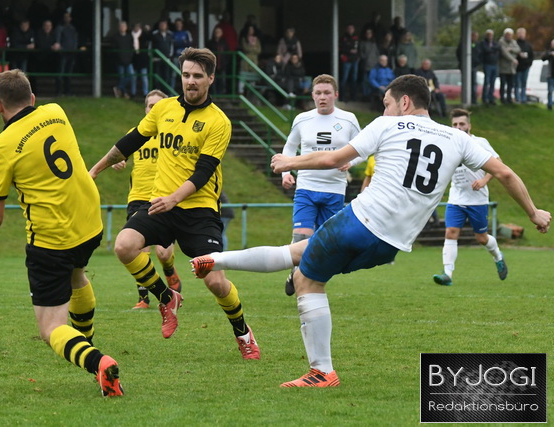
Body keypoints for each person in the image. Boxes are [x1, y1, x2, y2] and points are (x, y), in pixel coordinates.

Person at [189, 75, 550, 388]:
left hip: (359, 222)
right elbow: (505, 173)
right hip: (391, 245)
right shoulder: (457, 138)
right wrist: (534, 213)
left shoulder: (387, 125)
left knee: (305, 280)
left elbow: (333, 158)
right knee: (299, 254)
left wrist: (289, 161)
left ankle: (321, 371)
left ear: (404, 102)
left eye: (387, 104)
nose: (385, 110)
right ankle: (214, 260)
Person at [0, 69, 123, 397]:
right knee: (77, 276)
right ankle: (87, 344)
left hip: (52, 239)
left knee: (51, 328)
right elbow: (33, 144)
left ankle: (98, 362)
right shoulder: (56, 112)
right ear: (32, 98)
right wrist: (1, 142)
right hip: (90, 223)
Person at [89, 47, 260, 359]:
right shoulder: (163, 109)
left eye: (197, 76)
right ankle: (166, 297)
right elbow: (130, 142)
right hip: (161, 206)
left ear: (211, 78)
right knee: (124, 246)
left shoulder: (219, 122)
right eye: (186, 75)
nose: (190, 81)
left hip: (199, 211)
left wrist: (174, 198)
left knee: (215, 281)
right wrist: (95, 170)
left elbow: (204, 172)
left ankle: (243, 333)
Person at [280, 74, 361, 296]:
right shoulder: (302, 119)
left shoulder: (349, 119)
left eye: (327, 93)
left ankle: (306, 276)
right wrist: (286, 172)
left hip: (334, 190)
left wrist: (351, 162)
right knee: (301, 235)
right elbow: (289, 148)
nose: (322, 97)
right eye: (318, 93)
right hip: (306, 187)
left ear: (335, 95)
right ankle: (296, 274)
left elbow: (363, 149)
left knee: (327, 244)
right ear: (312, 95)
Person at [111, 90, 183, 309]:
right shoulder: (136, 133)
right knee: (138, 249)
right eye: (150, 105)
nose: (153, 109)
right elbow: (120, 153)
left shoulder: (173, 134)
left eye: (158, 105)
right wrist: (118, 162)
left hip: (164, 196)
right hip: (138, 197)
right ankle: (143, 297)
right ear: (145, 109)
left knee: (163, 253)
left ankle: (169, 270)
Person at [433, 108, 506, 286]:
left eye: (462, 124)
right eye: (455, 124)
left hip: (477, 200)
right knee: (451, 232)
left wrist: (484, 180)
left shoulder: (479, 142)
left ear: (469, 126)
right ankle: (447, 274)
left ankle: (498, 256)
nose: (458, 127)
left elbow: (499, 163)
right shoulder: (448, 145)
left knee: (481, 238)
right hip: (456, 199)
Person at [54, 12, 84, 96]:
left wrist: (75, 49)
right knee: (60, 73)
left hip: (71, 53)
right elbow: (57, 40)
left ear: (71, 18)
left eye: (68, 17)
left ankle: (68, 92)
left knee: (69, 74)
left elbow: (75, 40)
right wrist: (59, 47)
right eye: (65, 17)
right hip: (63, 53)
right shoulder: (60, 28)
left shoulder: (73, 29)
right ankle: (59, 92)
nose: (67, 19)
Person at [111, 20, 135, 99]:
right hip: (119, 61)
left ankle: (118, 88)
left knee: (131, 75)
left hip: (128, 60)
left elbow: (131, 48)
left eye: (124, 26)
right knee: (121, 77)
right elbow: (114, 49)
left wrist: (130, 57)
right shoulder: (115, 37)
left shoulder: (129, 37)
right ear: (118, 28)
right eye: (121, 26)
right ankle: (124, 93)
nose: (122, 28)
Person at [456, 31, 481, 104]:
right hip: (465, 67)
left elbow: (480, 54)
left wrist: (477, 62)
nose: (475, 38)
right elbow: (458, 53)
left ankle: (473, 100)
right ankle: (466, 99)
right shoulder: (463, 44)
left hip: (474, 66)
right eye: (474, 36)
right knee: (466, 83)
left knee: (474, 83)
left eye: (476, 37)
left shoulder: (477, 44)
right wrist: (463, 62)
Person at [149, 20, 174, 90]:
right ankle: (157, 91)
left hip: (166, 59)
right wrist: (151, 56)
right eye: (161, 24)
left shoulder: (170, 34)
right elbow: (150, 46)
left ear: (166, 26)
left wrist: (169, 56)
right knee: (157, 77)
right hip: (156, 59)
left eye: (164, 24)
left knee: (166, 76)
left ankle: (166, 92)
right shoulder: (154, 34)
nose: (162, 26)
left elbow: (171, 46)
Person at [498, 28, 520, 104]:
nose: (508, 36)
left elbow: (518, 50)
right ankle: (502, 99)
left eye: (510, 35)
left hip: (512, 68)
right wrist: (513, 59)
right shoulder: (501, 42)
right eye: (507, 34)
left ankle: (509, 98)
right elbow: (504, 52)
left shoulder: (513, 42)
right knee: (503, 84)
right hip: (503, 67)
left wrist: (511, 49)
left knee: (510, 84)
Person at [206, 26, 230, 95]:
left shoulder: (224, 43)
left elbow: (227, 54)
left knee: (222, 80)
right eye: (216, 32)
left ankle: (221, 95)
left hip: (222, 65)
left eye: (219, 32)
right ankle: (214, 95)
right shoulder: (210, 43)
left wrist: (225, 62)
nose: (217, 33)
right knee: (213, 81)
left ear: (222, 33)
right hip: (213, 65)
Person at [340, 24, 360, 101]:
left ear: (354, 30)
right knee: (344, 79)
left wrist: (358, 57)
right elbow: (341, 48)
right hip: (347, 60)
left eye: (351, 29)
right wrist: (350, 50)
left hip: (355, 60)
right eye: (349, 28)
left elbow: (359, 49)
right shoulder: (344, 38)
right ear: (346, 29)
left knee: (354, 79)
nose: (350, 30)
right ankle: (342, 97)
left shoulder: (356, 38)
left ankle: (353, 97)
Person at [480, 29, 499, 105]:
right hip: (487, 64)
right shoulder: (483, 43)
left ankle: (491, 98)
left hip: (494, 64)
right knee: (486, 82)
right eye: (488, 35)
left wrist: (491, 50)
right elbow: (486, 50)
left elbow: (497, 48)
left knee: (493, 82)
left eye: (491, 35)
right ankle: (485, 98)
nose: (490, 36)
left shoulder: (495, 43)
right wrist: (492, 50)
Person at [514, 28, 534, 104]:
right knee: (517, 83)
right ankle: (517, 98)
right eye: (520, 33)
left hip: (526, 67)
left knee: (524, 83)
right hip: (517, 67)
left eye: (522, 33)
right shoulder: (515, 44)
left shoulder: (528, 45)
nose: (521, 35)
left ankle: (523, 98)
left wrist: (529, 64)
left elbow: (531, 56)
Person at [359, 28, 380, 98]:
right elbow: (361, 53)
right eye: (367, 33)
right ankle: (365, 95)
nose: (368, 35)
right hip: (365, 65)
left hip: (374, 65)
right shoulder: (362, 43)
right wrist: (365, 58)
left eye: (370, 33)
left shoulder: (374, 43)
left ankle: (371, 95)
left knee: (372, 81)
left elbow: (377, 53)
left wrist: (376, 61)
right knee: (365, 81)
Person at [544, 39, 554, 111]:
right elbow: (543, 58)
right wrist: (550, 54)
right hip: (550, 75)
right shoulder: (549, 52)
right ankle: (549, 105)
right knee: (550, 91)